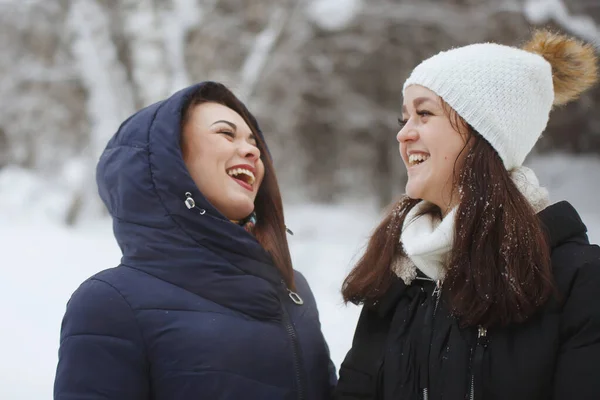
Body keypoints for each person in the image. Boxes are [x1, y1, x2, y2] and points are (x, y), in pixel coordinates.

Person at [335, 30, 600, 400]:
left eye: (424, 113)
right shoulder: (398, 270)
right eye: (404, 118)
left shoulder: (577, 279)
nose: (403, 135)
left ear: (484, 135)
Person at [54, 81, 336, 399]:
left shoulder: (292, 289)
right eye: (225, 134)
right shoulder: (111, 302)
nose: (253, 151)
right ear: (169, 160)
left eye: (254, 142)